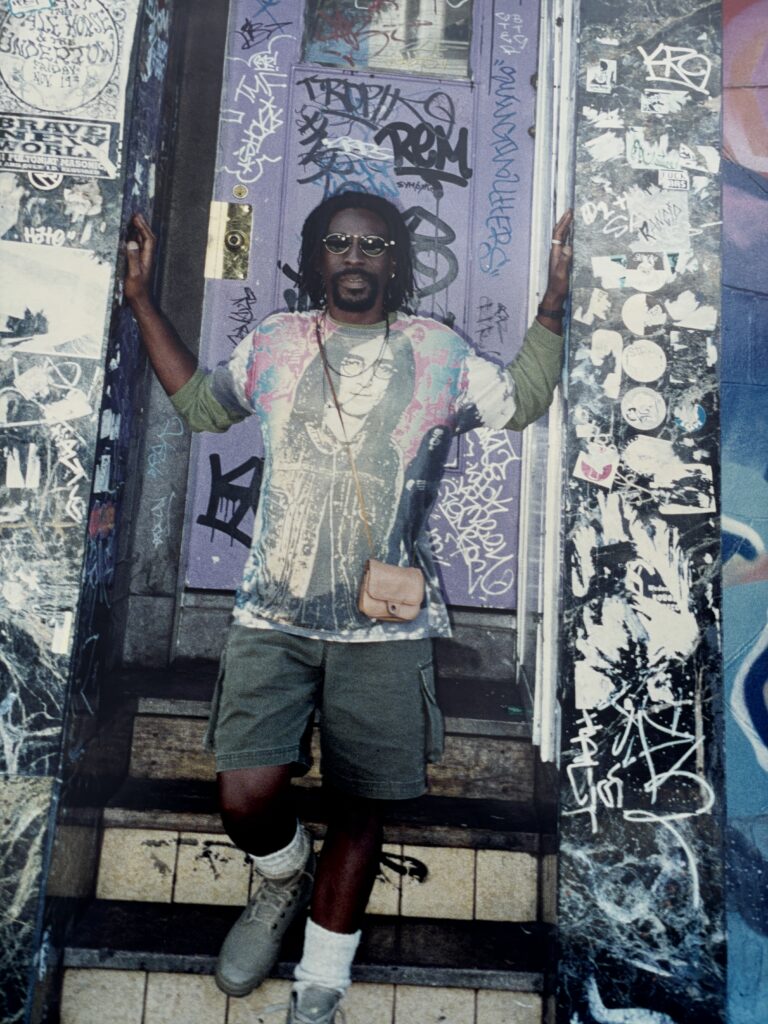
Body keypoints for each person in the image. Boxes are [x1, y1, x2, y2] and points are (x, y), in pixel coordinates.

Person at [124, 192, 573, 1024]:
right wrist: (142, 301)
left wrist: (551, 302)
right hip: (273, 616)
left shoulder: (436, 351)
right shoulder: (276, 343)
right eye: (338, 243)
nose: (355, 256)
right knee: (246, 794)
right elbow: (198, 406)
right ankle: (283, 872)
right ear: (313, 257)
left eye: (373, 243)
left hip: (386, 627)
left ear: (396, 261)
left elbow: (524, 400)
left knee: (364, 801)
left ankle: (323, 976)